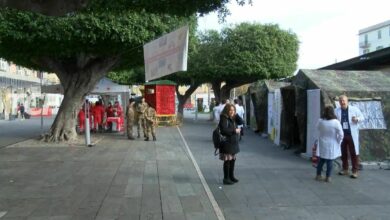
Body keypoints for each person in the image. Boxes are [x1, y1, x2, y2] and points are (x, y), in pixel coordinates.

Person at [335, 95, 364, 179]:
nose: (342, 102)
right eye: (340, 101)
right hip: (342, 134)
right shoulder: (336, 110)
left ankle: (355, 171)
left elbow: (362, 117)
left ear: (347, 101)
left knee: (354, 153)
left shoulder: (354, 109)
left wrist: (357, 119)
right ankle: (345, 169)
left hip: (352, 134)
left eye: (343, 100)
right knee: (343, 153)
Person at [315, 106, 344, 183]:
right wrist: (338, 141)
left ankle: (318, 175)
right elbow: (341, 134)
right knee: (330, 160)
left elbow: (317, 128)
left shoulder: (320, 121)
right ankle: (328, 177)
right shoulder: (336, 122)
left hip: (322, 142)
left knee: (321, 159)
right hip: (332, 142)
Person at [219, 103, 243, 185]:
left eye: (233, 110)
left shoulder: (233, 117)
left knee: (233, 160)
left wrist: (236, 114)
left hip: (233, 143)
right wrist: (234, 131)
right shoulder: (224, 118)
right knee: (227, 162)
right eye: (230, 110)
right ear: (227, 110)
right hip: (227, 143)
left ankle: (231, 176)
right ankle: (226, 178)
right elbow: (223, 131)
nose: (232, 112)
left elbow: (241, 122)